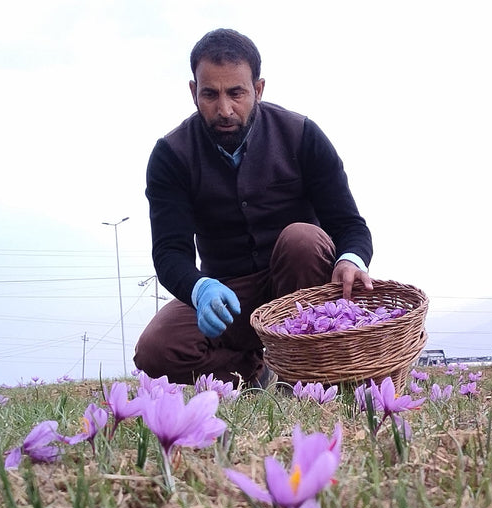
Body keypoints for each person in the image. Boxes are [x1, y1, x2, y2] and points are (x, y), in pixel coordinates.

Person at [133, 28, 374, 386]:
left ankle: (308, 375)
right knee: (156, 350)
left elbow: (350, 225)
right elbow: (170, 252)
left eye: (236, 93)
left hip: (300, 284)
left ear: (258, 90)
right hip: (228, 295)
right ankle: (253, 370)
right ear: (193, 92)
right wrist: (200, 289)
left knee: (302, 239)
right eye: (210, 94)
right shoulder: (172, 155)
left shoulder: (301, 134)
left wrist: (350, 259)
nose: (224, 109)